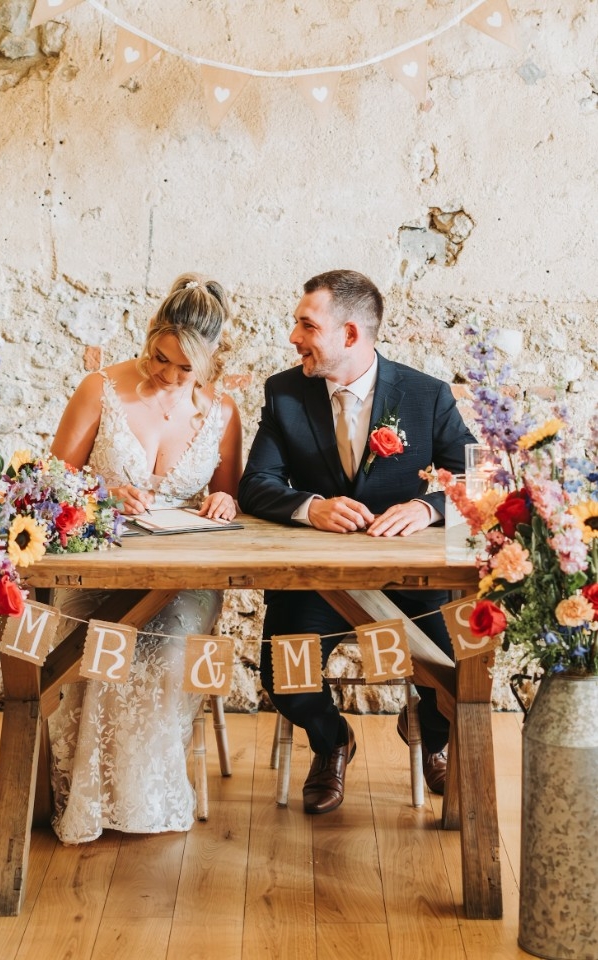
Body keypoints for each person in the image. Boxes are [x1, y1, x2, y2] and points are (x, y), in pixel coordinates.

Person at [238, 269, 476, 815]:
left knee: (459, 676)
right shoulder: (285, 393)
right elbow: (256, 484)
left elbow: (479, 478)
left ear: (349, 335)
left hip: (412, 590)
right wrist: (310, 507)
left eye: (306, 325)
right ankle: (331, 742)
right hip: (314, 588)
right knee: (286, 677)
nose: (293, 337)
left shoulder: (426, 395)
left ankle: (429, 734)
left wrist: (426, 506)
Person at [47, 273, 242, 843]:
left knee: (163, 646)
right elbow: (51, 481)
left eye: (188, 370)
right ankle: (82, 796)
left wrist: (224, 498)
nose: (170, 376)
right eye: (162, 359)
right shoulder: (100, 388)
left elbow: (230, 496)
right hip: (100, 561)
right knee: (100, 639)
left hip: (186, 575)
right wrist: (101, 494)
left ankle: (139, 796)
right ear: (151, 335)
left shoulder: (223, 412)